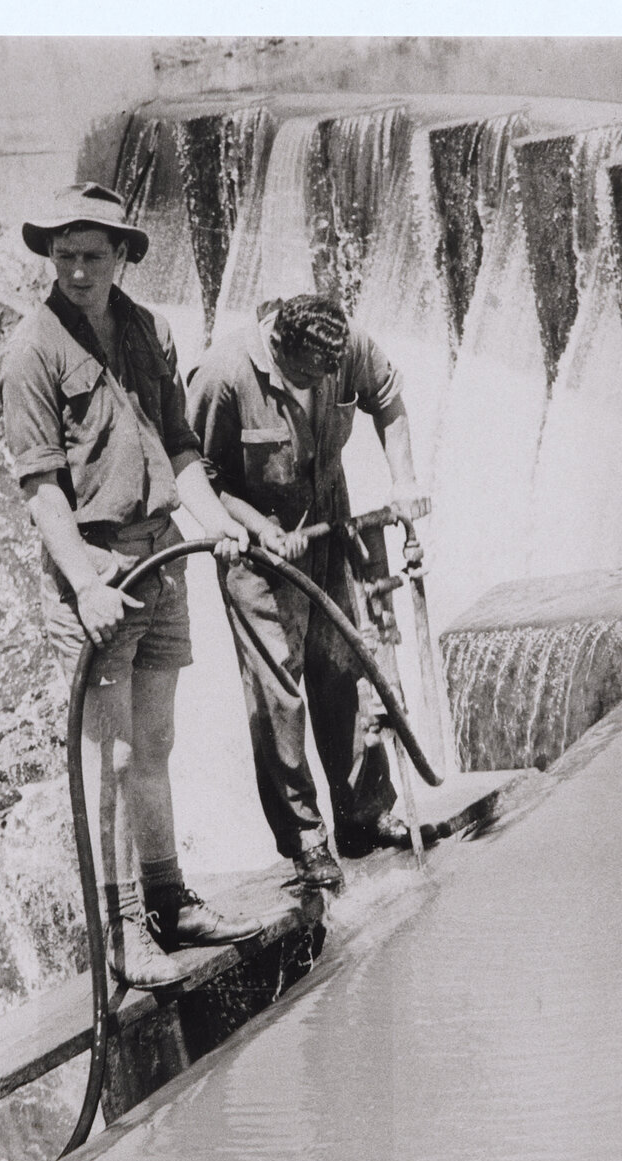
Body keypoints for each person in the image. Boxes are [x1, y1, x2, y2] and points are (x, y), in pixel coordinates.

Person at [0, 182, 262, 990]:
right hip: (101, 574)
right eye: (64, 255)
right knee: (109, 759)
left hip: (163, 558)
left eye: (93, 256)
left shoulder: (148, 332)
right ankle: (121, 933)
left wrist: (215, 520)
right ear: (51, 256)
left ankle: (168, 897)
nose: (77, 271)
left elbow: (180, 448)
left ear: (121, 258)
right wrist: (83, 585)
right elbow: (43, 491)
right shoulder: (32, 352)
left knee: (154, 746)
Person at [187, 294, 420, 890]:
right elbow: (200, 478)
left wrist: (405, 481)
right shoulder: (222, 375)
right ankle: (306, 840)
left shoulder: (345, 345)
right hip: (257, 555)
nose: (318, 383)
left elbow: (388, 400)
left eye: (327, 376)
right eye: (304, 376)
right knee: (279, 695)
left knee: (343, 670)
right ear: (278, 347)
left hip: (327, 529)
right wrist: (258, 529)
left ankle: (363, 815)